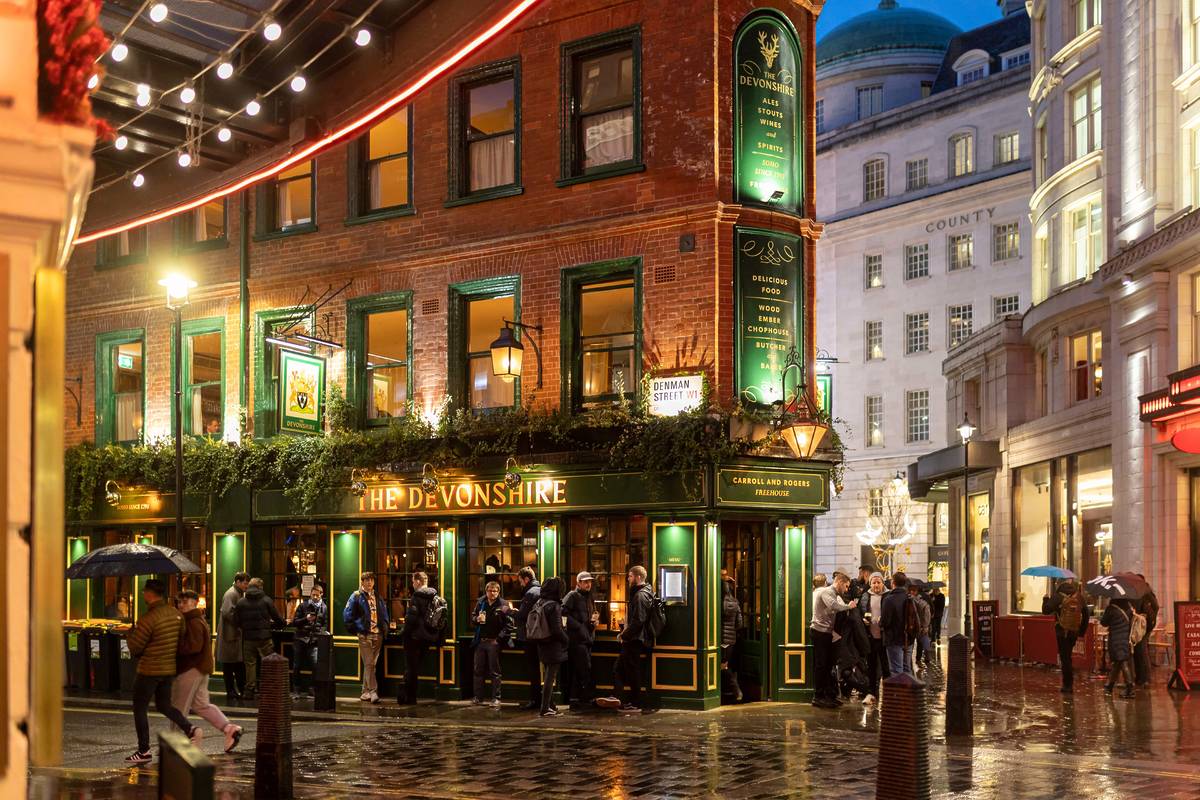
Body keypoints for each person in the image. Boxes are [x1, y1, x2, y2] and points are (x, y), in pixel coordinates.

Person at [123, 579, 198, 764]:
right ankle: (189, 728)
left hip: (149, 670)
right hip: (168, 669)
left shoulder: (148, 619)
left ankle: (143, 750)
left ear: (150, 594)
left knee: (139, 707)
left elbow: (135, 648)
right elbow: (180, 638)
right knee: (164, 705)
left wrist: (130, 634)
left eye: (144, 592)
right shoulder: (176, 614)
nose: (143, 595)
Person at [172, 590, 243, 753]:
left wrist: (175, 647)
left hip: (190, 669)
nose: (181, 604)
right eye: (179, 601)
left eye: (185, 601)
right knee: (202, 705)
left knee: (178, 707)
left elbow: (193, 647)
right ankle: (229, 729)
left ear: (195, 602)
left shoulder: (193, 621)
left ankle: (174, 742)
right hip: (201, 669)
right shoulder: (195, 620)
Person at [598, 565, 655, 712]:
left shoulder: (640, 596)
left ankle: (634, 702)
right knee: (622, 669)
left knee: (629, 670)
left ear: (637, 577)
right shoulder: (644, 592)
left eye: (630, 576)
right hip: (634, 638)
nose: (628, 579)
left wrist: (624, 634)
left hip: (634, 640)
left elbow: (638, 620)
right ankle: (618, 697)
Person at [809, 571, 857, 708]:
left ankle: (828, 695)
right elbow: (833, 606)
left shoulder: (833, 593)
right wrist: (849, 606)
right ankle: (818, 697)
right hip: (819, 633)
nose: (846, 589)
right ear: (840, 582)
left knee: (827, 666)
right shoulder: (827, 592)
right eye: (846, 586)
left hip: (826, 633)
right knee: (821, 665)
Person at [233, 577, 284, 701]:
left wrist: (246, 627)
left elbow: (236, 621)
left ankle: (249, 691)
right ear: (260, 587)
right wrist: (278, 624)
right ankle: (269, 690)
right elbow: (277, 618)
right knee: (268, 663)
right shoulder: (266, 600)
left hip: (248, 638)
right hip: (264, 638)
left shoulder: (241, 602)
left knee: (250, 665)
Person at [344, 571, 389, 703]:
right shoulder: (356, 596)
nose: (369, 582)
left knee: (370, 665)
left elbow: (384, 612)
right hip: (365, 635)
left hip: (377, 634)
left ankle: (365, 692)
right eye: (366, 580)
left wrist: (384, 626)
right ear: (362, 582)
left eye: (371, 580)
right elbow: (347, 615)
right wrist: (358, 629)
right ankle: (373, 692)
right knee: (369, 663)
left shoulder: (377, 596)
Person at [1042, 579, 1090, 693]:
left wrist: (1045, 599)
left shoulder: (1057, 596)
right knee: (1068, 656)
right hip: (1074, 631)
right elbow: (1086, 614)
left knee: (1065, 658)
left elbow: (1045, 611)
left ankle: (1068, 685)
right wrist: (1081, 631)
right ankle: (1068, 683)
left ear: (1059, 584)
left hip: (1061, 631)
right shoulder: (1078, 596)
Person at [399, 571, 440, 705]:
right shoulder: (434, 595)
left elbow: (412, 619)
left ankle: (410, 698)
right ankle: (411, 696)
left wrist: (404, 632)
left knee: (411, 669)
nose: (412, 584)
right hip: (427, 637)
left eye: (412, 581)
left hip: (414, 638)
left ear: (418, 581)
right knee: (415, 667)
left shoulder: (416, 596)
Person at [470, 581, 510, 708]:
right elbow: (473, 617)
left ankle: (496, 698)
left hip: (494, 642)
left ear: (498, 592)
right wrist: (476, 619)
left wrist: (498, 639)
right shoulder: (481, 603)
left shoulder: (503, 604)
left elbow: (509, 625)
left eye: (495, 591)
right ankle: (478, 697)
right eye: (490, 591)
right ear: (486, 591)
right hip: (480, 641)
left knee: (495, 672)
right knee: (478, 670)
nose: (492, 593)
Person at [562, 571, 598, 710]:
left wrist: (592, 623)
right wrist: (579, 626)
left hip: (587, 638)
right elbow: (562, 613)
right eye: (585, 582)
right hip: (576, 640)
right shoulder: (572, 595)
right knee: (581, 669)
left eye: (590, 581)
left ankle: (578, 699)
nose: (588, 584)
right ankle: (581, 699)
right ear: (578, 583)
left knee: (582, 670)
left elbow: (590, 615)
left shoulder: (589, 597)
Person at [535, 577, 569, 717]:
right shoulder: (554, 605)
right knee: (550, 677)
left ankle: (551, 705)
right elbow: (557, 629)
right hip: (553, 644)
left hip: (542, 642)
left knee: (548, 674)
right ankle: (545, 708)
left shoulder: (541, 602)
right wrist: (566, 639)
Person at [289, 583, 327, 697]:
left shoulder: (324, 607)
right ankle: (296, 688)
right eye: (313, 595)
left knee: (315, 665)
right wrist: (306, 619)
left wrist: (321, 632)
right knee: (297, 665)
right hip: (300, 638)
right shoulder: (303, 606)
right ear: (310, 594)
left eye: (317, 595)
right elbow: (294, 622)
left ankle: (312, 688)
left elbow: (325, 624)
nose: (315, 597)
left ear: (321, 594)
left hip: (314, 640)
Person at [513, 567, 542, 710]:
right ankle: (541, 699)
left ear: (526, 579)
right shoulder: (541, 590)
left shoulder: (530, 593)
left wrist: (511, 612)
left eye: (520, 581)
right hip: (540, 635)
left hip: (530, 636)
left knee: (533, 669)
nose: (520, 585)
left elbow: (522, 615)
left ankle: (535, 700)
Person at [216, 572, 249, 701]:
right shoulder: (232, 594)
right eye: (245, 583)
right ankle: (231, 691)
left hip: (233, 635)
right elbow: (227, 612)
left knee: (235, 665)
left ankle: (237, 690)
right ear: (238, 582)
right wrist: (241, 620)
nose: (246, 586)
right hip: (229, 635)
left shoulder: (237, 593)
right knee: (229, 666)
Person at [860, 572, 889, 704]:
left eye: (878, 582)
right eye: (874, 582)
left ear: (882, 583)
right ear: (870, 583)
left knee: (886, 666)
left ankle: (888, 694)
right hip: (870, 636)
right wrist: (863, 620)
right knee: (871, 667)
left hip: (884, 637)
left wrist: (884, 620)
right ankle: (872, 693)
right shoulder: (865, 596)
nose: (876, 585)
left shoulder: (888, 596)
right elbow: (861, 612)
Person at [1100, 598, 1136, 698]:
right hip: (1125, 638)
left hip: (1116, 639)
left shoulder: (1111, 609)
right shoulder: (1128, 607)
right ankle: (1110, 685)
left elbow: (1103, 622)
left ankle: (1130, 688)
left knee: (1122, 662)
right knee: (1118, 662)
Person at [880, 572, 914, 676]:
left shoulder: (889, 599)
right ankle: (908, 691)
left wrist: (879, 621)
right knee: (907, 668)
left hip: (894, 639)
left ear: (893, 583)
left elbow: (885, 622)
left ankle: (899, 692)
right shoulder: (909, 597)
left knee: (896, 670)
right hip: (908, 638)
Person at [720, 578, 743, 703]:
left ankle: (736, 689)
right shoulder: (735, 602)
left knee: (722, 666)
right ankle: (732, 690)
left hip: (720, 639)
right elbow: (739, 623)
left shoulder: (719, 602)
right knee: (724, 665)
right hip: (731, 640)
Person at [1134, 578, 1160, 687]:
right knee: (1137, 651)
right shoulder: (1140, 592)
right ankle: (1140, 678)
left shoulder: (1146, 593)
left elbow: (1156, 606)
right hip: (1140, 625)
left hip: (1145, 625)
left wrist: (1148, 619)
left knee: (1142, 650)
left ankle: (1145, 678)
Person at [908, 585, 932, 670]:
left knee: (919, 643)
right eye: (910, 590)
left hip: (918, 626)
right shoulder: (922, 601)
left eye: (913, 590)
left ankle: (920, 659)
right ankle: (919, 659)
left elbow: (927, 614)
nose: (911, 592)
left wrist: (925, 626)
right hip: (917, 626)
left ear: (917, 591)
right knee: (917, 643)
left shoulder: (918, 601)